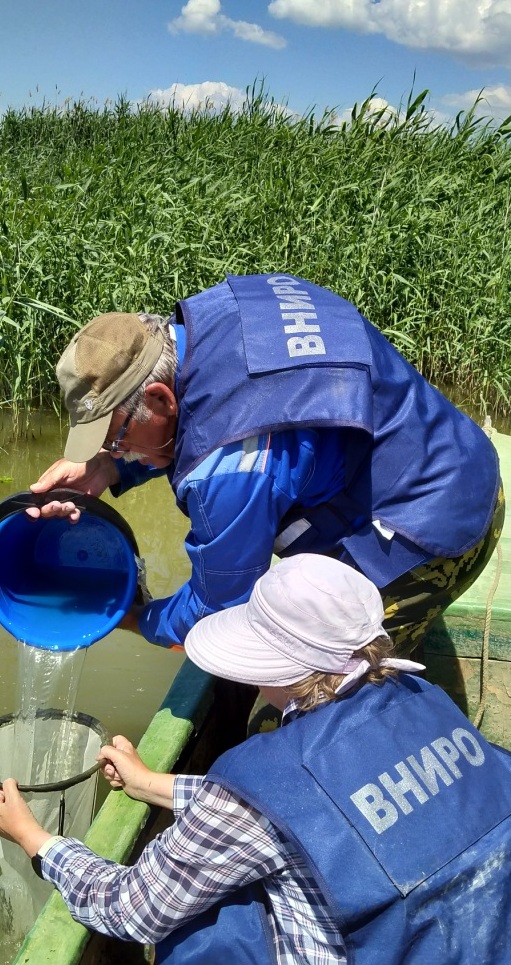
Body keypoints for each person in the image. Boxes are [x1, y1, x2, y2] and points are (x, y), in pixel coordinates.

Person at [1, 553, 511, 964]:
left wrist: (35, 838)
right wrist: (154, 784)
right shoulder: (420, 698)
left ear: (282, 669)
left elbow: (133, 910)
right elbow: (322, 806)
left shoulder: (265, 780)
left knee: (206, 929)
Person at [28, 274, 504, 652]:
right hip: (461, 453)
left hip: (433, 535)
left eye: (115, 440)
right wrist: (107, 469)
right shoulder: (222, 311)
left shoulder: (228, 473)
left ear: (159, 398)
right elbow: (229, 415)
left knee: (295, 717)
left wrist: (138, 618)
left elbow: (217, 605)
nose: (114, 451)